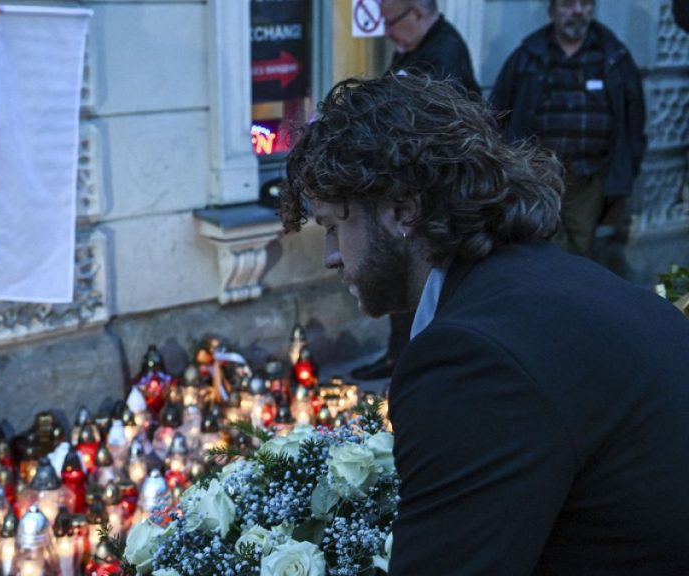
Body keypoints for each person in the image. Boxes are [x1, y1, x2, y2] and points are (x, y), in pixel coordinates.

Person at [281, 73, 689, 574]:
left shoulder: (471, 356)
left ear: (402, 210)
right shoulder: (552, 281)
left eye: (333, 226)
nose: (330, 258)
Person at [349, 0, 479, 381]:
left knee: (421, 281)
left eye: (391, 23)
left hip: (432, 190)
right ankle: (399, 357)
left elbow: (432, 123)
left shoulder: (444, 51)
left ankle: (414, 364)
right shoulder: (415, 48)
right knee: (400, 275)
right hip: (407, 187)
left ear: (418, 14)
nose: (386, 32)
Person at [490, 0, 646, 257]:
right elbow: (498, 111)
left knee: (578, 251)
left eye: (585, 4)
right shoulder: (528, 56)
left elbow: (634, 119)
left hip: (588, 176)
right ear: (552, 11)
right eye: (567, 4)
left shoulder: (614, 56)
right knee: (534, 245)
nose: (577, 11)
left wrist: (626, 167)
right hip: (536, 175)